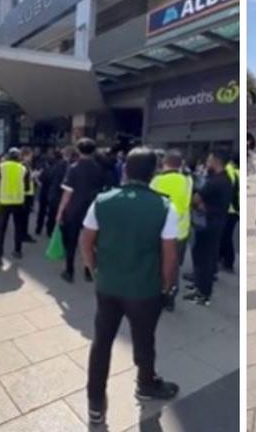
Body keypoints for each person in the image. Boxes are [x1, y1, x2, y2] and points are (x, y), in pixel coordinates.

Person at [80, 147, 180, 425]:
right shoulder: (164, 206)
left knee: (101, 344)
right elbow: (169, 255)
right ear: (154, 173)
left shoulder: (102, 201)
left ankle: (96, 406)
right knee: (144, 339)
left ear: (125, 170)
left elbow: (85, 241)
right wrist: (166, 285)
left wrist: (95, 269)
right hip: (145, 290)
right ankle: (146, 385)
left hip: (108, 286)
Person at [184, 150, 233, 306]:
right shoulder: (224, 178)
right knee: (206, 257)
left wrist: (199, 204)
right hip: (216, 222)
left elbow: (195, 199)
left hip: (208, 224)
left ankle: (203, 294)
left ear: (216, 161)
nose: (207, 162)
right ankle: (200, 287)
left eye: (210, 159)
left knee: (203, 259)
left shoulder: (215, 181)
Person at [56, 138, 105, 283]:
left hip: (73, 210)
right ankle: (89, 271)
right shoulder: (98, 168)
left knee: (71, 242)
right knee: (90, 242)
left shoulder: (73, 168)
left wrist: (60, 212)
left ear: (78, 150)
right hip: (92, 210)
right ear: (93, 150)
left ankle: (69, 271)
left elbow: (67, 194)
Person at [150, 150, 193, 312]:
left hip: (161, 232)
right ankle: (170, 298)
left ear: (164, 163)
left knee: (160, 264)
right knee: (174, 266)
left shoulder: (157, 181)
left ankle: (158, 293)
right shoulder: (187, 180)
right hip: (181, 232)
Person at [0, 148, 30, 265]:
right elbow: (27, 187)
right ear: (19, 157)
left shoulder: (1, 167)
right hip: (18, 202)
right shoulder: (23, 168)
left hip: (4, 202)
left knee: (1, 229)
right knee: (18, 228)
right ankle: (18, 250)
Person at [46, 146, 75, 237]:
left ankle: (50, 230)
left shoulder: (58, 164)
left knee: (52, 213)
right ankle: (53, 231)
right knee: (57, 213)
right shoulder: (66, 166)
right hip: (58, 193)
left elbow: (50, 176)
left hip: (53, 191)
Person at [219, 154, 240, 273]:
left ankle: (228, 261)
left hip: (228, 210)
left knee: (225, 237)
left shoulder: (229, 171)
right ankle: (224, 258)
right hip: (236, 211)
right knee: (225, 235)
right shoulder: (238, 172)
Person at [20, 147, 37, 244]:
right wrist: (33, 176)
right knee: (24, 216)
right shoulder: (23, 165)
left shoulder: (26, 165)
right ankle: (23, 234)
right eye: (30, 155)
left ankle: (23, 233)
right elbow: (24, 179)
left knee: (25, 215)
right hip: (25, 194)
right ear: (26, 155)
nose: (32, 157)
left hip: (27, 193)